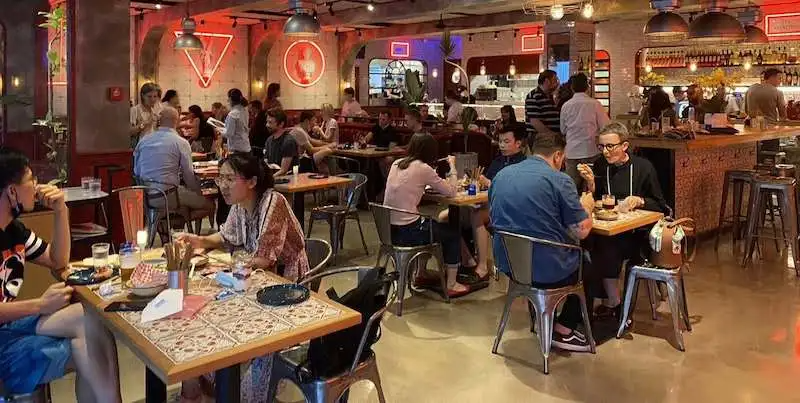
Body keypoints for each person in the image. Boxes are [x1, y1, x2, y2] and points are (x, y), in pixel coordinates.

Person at [177, 153, 309, 402]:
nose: (223, 185)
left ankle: (235, 388)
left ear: (251, 182)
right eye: (221, 178)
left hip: (286, 284)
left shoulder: (273, 202)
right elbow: (226, 236)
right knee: (206, 313)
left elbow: (263, 260)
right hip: (256, 278)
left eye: (229, 178)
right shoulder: (240, 205)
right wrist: (200, 240)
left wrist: (225, 267)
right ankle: (206, 384)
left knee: (220, 310)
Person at [0, 149, 122, 402]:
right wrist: (40, 305)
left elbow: (57, 260)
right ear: (12, 191)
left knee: (90, 317)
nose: (37, 186)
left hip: (9, 328)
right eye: (31, 180)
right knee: (86, 349)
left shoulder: (13, 230)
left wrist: (61, 211)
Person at [490, 132, 595, 351]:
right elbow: (582, 230)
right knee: (592, 260)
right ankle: (565, 328)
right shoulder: (559, 180)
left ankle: (542, 318)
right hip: (547, 268)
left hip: (510, 265)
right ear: (557, 156)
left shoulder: (501, 175)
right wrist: (587, 206)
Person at [577, 122, 667, 319]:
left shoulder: (643, 167)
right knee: (586, 243)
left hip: (637, 234)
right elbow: (594, 199)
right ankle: (591, 304)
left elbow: (661, 205)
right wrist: (590, 183)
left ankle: (614, 303)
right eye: (602, 147)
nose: (605, 152)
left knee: (606, 246)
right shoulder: (600, 165)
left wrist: (640, 200)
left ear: (625, 146)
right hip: (608, 227)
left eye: (610, 146)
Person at [384, 133, 472, 297]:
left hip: (389, 230)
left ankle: (421, 273)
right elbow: (452, 191)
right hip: (409, 232)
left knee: (430, 224)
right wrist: (452, 166)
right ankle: (452, 284)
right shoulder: (423, 169)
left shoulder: (397, 163)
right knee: (452, 234)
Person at [134, 107, 215, 219]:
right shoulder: (181, 142)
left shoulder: (143, 141)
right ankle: (179, 220)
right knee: (210, 206)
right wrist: (198, 192)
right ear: (177, 122)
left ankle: (166, 221)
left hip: (145, 197)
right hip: (169, 195)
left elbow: (136, 171)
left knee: (183, 201)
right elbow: (188, 176)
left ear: (159, 121)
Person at [560, 73, 610, 191]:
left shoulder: (566, 106)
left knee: (571, 189)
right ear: (587, 87)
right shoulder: (595, 104)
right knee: (590, 188)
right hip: (591, 151)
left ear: (572, 88)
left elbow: (563, 130)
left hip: (572, 152)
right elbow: (606, 126)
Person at [525, 69, 561, 136]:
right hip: (540, 138)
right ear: (547, 81)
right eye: (555, 80)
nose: (557, 83)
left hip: (552, 137)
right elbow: (535, 122)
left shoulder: (551, 96)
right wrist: (553, 135)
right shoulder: (534, 96)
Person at [264, 109, 298, 177]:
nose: (267, 125)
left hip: (287, 179)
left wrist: (268, 180)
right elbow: (266, 162)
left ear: (281, 124)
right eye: (267, 122)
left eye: (270, 122)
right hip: (273, 176)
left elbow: (283, 170)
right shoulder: (269, 140)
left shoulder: (288, 141)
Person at [217, 88, 251, 154]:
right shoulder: (244, 110)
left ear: (230, 99)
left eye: (228, 98)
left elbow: (229, 134)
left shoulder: (233, 114)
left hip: (237, 149)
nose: (227, 101)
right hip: (246, 146)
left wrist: (219, 130)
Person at [130, 82, 162, 147]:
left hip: (156, 145)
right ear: (143, 95)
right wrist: (145, 123)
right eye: (149, 96)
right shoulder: (135, 110)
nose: (152, 99)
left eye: (155, 96)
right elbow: (130, 132)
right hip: (141, 147)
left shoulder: (158, 109)